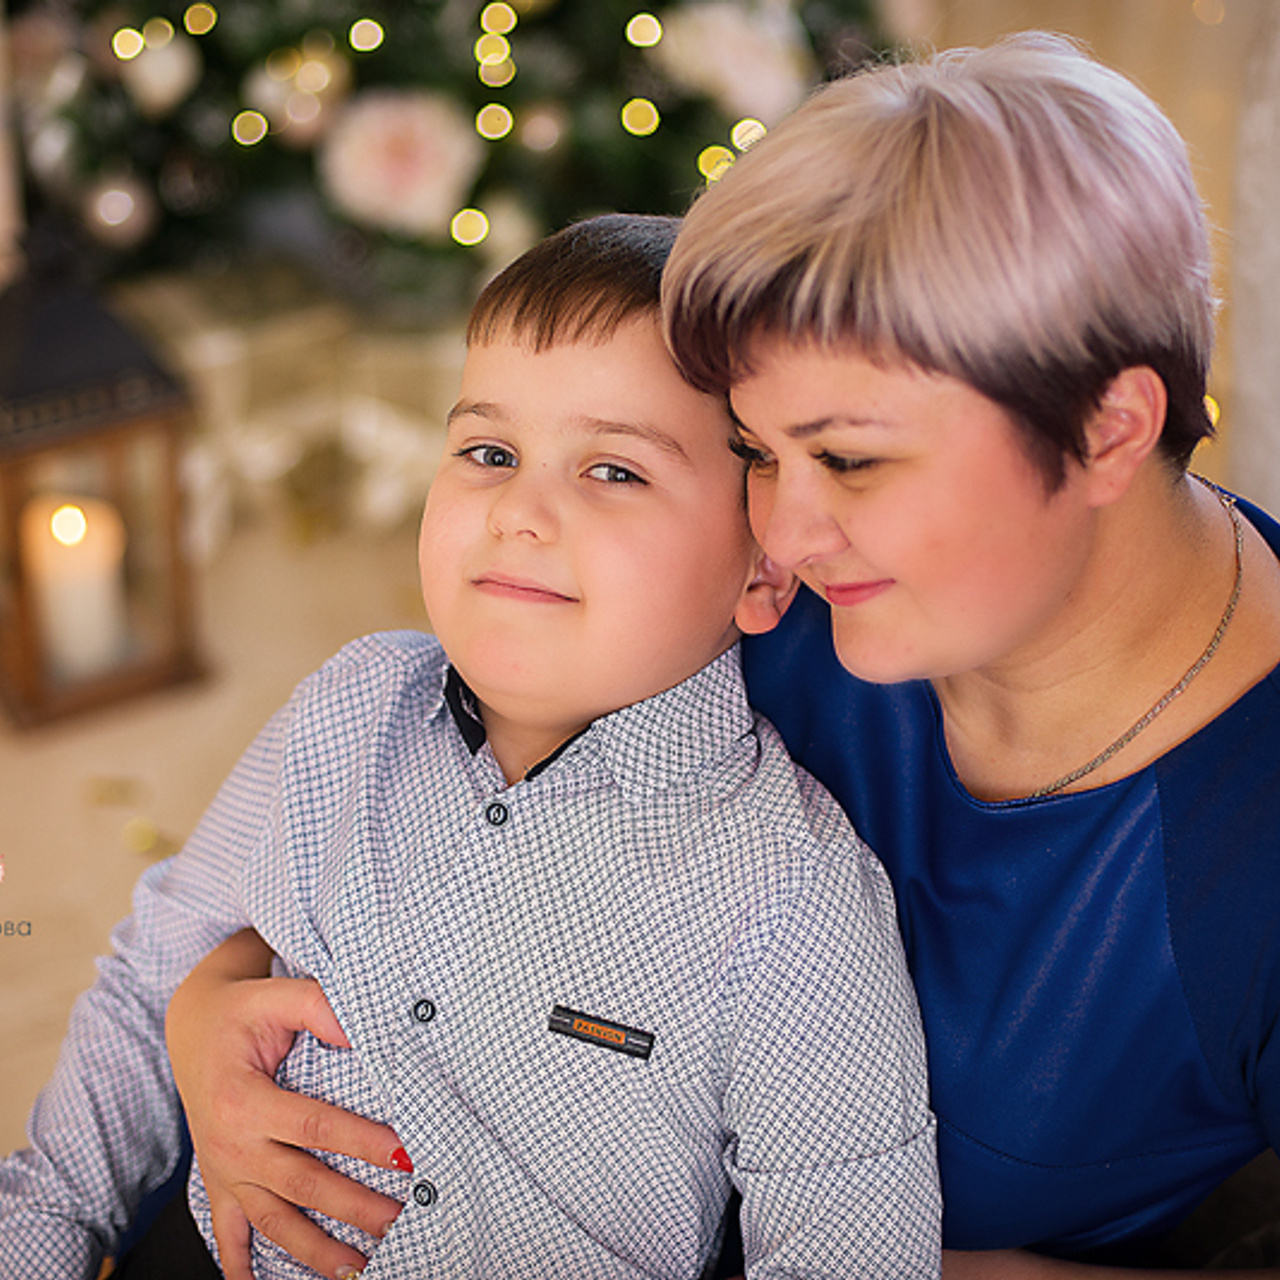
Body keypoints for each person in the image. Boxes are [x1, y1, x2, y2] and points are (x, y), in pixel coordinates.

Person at [163, 29, 1280, 1280]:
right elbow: (416, 805)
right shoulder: (765, 587)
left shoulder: (1248, 861)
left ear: (1104, 425)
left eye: (849, 457)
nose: (784, 533)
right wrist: (207, 1002)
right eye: (755, 450)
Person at [0, 214, 940, 1280]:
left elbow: (850, 1246)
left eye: (614, 470)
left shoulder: (792, 892)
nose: (518, 510)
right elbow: (147, 984)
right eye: (488, 451)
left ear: (763, 572)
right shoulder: (348, 708)